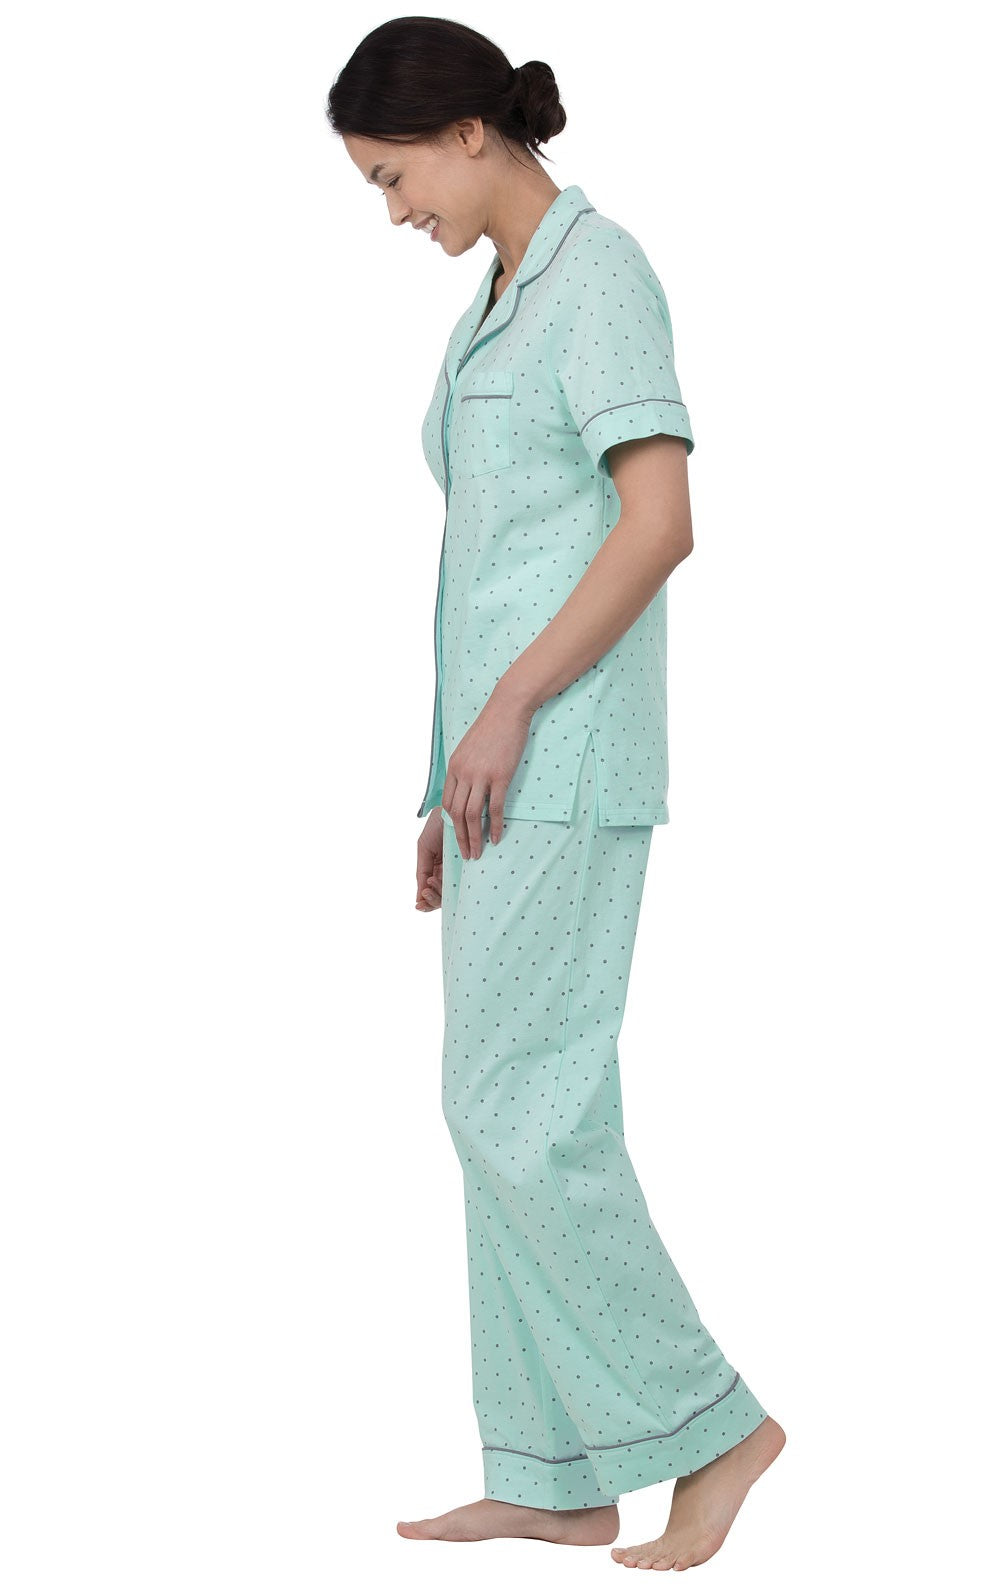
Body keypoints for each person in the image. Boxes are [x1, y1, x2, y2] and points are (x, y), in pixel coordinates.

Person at [327, 16, 785, 1570]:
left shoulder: (600, 279)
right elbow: (497, 557)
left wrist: (512, 712)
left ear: (468, 131)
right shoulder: (502, 298)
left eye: (394, 178)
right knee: (496, 1112)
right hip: (498, 775)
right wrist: (444, 778)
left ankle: (712, 1428)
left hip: (568, 755)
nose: (395, 212)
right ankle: (559, 1469)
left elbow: (658, 523)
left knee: (526, 1116)